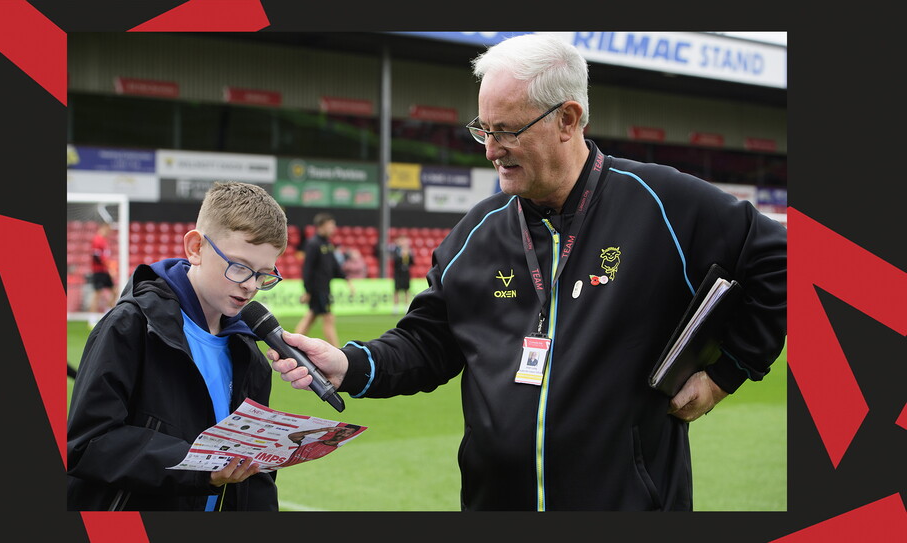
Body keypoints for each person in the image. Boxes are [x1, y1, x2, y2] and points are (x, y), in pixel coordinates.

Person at [268, 33, 787, 511]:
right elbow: (428, 343)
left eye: (508, 130)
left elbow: (779, 257)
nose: (492, 150)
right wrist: (349, 364)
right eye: (483, 130)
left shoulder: (660, 202)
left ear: (568, 119)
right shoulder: (476, 233)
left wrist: (727, 372)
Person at [67, 181, 289, 511]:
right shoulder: (132, 326)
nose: (250, 286)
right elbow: (87, 444)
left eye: (263, 275)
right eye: (240, 267)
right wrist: (200, 466)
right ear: (195, 247)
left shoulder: (250, 352)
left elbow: (256, 477)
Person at [294, 212, 354, 347]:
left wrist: (346, 279)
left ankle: (292, 343)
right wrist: (308, 290)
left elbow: (334, 266)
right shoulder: (313, 244)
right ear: (321, 226)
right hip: (318, 288)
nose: (333, 228)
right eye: (331, 225)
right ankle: (338, 350)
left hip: (324, 288)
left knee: (311, 317)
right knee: (328, 318)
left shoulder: (327, 244)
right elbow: (307, 269)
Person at [273, 424, 362, 469]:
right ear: (338, 430)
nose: (343, 433)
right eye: (343, 430)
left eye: (348, 433)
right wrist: (323, 429)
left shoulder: (337, 449)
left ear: (350, 436)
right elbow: (292, 436)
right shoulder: (312, 441)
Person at [88, 221, 117, 313]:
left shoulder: (104, 241)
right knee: (97, 294)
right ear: (104, 228)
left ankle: (107, 312)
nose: (109, 232)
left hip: (105, 271)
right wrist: (109, 264)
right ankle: (91, 318)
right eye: (108, 229)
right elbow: (96, 257)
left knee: (115, 291)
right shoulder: (97, 240)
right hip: (98, 271)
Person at [390, 235, 414, 314]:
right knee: (396, 290)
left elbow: (412, 263)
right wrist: (401, 255)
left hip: (406, 272)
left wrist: (409, 255)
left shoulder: (409, 251)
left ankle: (406, 307)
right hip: (398, 272)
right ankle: (395, 308)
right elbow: (394, 261)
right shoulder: (396, 250)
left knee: (406, 290)